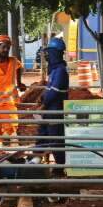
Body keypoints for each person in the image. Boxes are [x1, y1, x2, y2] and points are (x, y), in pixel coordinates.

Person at [39, 37, 69, 165]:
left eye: (49, 52)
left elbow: (54, 92)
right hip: (50, 110)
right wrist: (42, 97)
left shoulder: (61, 71)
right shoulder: (55, 70)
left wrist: (44, 104)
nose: (47, 55)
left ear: (56, 53)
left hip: (56, 110)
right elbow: (49, 89)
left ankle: (60, 165)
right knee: (45, 136)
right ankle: (36, 159)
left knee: (55, 139)